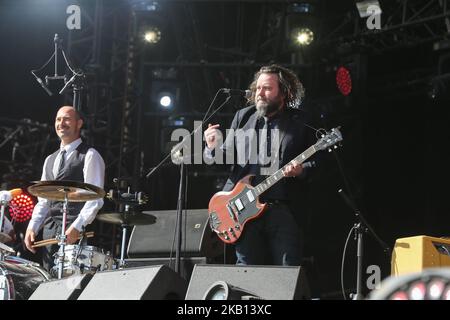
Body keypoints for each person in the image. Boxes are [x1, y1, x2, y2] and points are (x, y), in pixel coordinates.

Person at [204, 64, 315, 266]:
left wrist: (302, 170)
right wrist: (212, 148)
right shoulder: (243, 116)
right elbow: (223, 160)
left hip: (283, 209)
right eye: (258, 88)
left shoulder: (301, 121)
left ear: (284, 93)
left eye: (267, 88)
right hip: (244, 210)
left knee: (287, 271)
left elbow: (320, 162)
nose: (260, 93)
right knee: (247, 270)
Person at [24, 106, 105, 271]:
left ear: (79, 123)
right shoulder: (50, 159)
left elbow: (95, 198)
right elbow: (44, 200)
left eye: (67, 119)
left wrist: (77, 226)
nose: (61, 123)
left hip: (76, 231)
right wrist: (33, 226)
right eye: (58, 119)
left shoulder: (90, 155)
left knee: (71, 283)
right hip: (50, 230)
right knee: (49, 280)